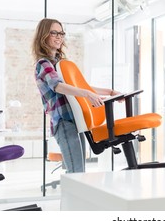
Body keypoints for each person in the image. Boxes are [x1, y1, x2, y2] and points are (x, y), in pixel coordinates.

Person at [32, 18, 122, 173]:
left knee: (79, 171)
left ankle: (75, 197)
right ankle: (71, 198)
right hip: (64, 122)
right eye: (54, 32)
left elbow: (80, 86)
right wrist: (87, 94)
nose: (59, 36)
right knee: (76, 172)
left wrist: (109, 92)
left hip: (76, 119)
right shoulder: (43, 64)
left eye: (61, 33)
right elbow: (58, 86)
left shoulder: (60, 63)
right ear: (43, 35)